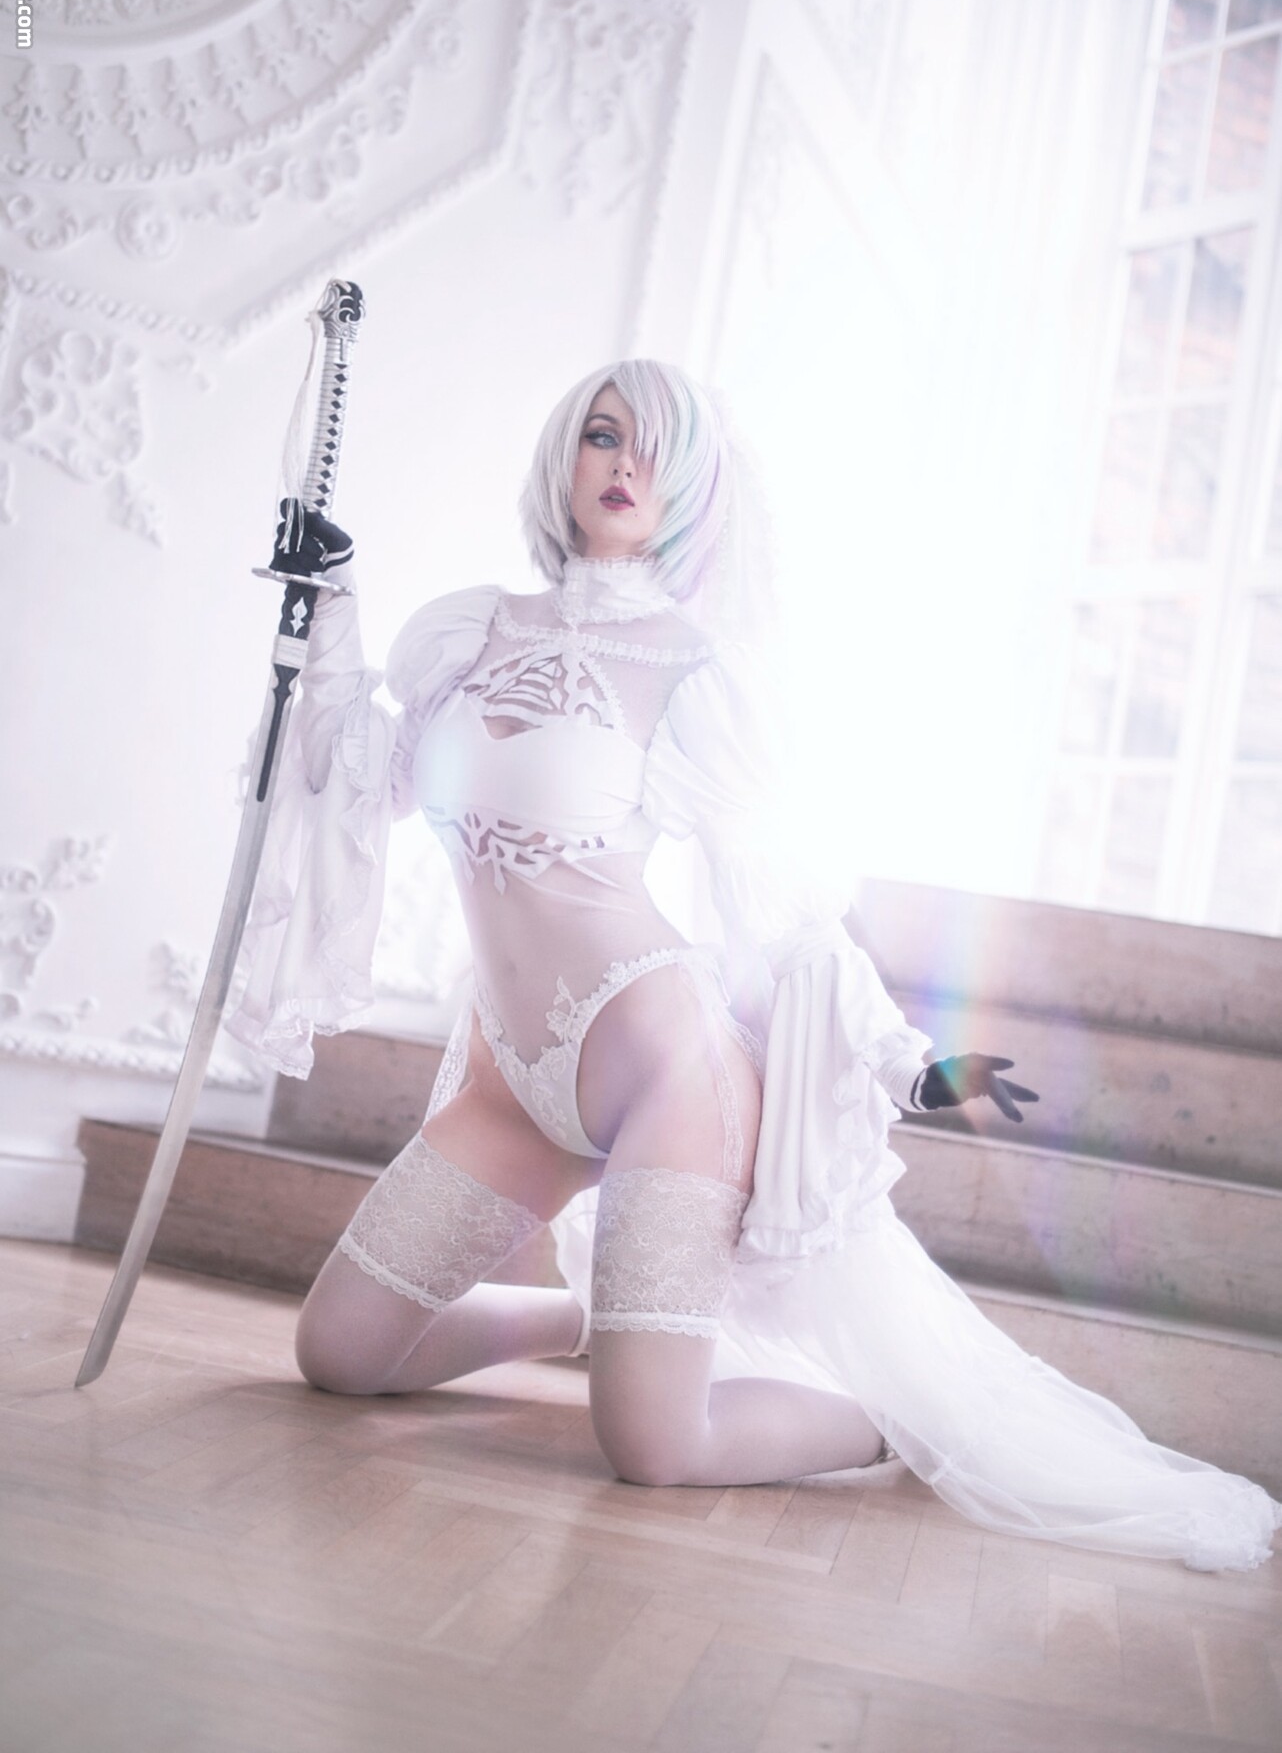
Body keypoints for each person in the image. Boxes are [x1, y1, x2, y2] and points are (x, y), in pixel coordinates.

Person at [229, 359, 1280, 1573]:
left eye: (657, 449)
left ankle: (895, 1419)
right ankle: (592, 1320)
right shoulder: (466, 632)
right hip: (514, 1077)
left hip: (666, 1077)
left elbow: (782, 909)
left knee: (654, 1447)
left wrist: (902, 1060)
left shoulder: (693, 671)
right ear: (565, 456)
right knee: (341, 1356)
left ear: (692, 487)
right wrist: (331, 602)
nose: (626, 464)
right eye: (604, 435)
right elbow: (356, 780)